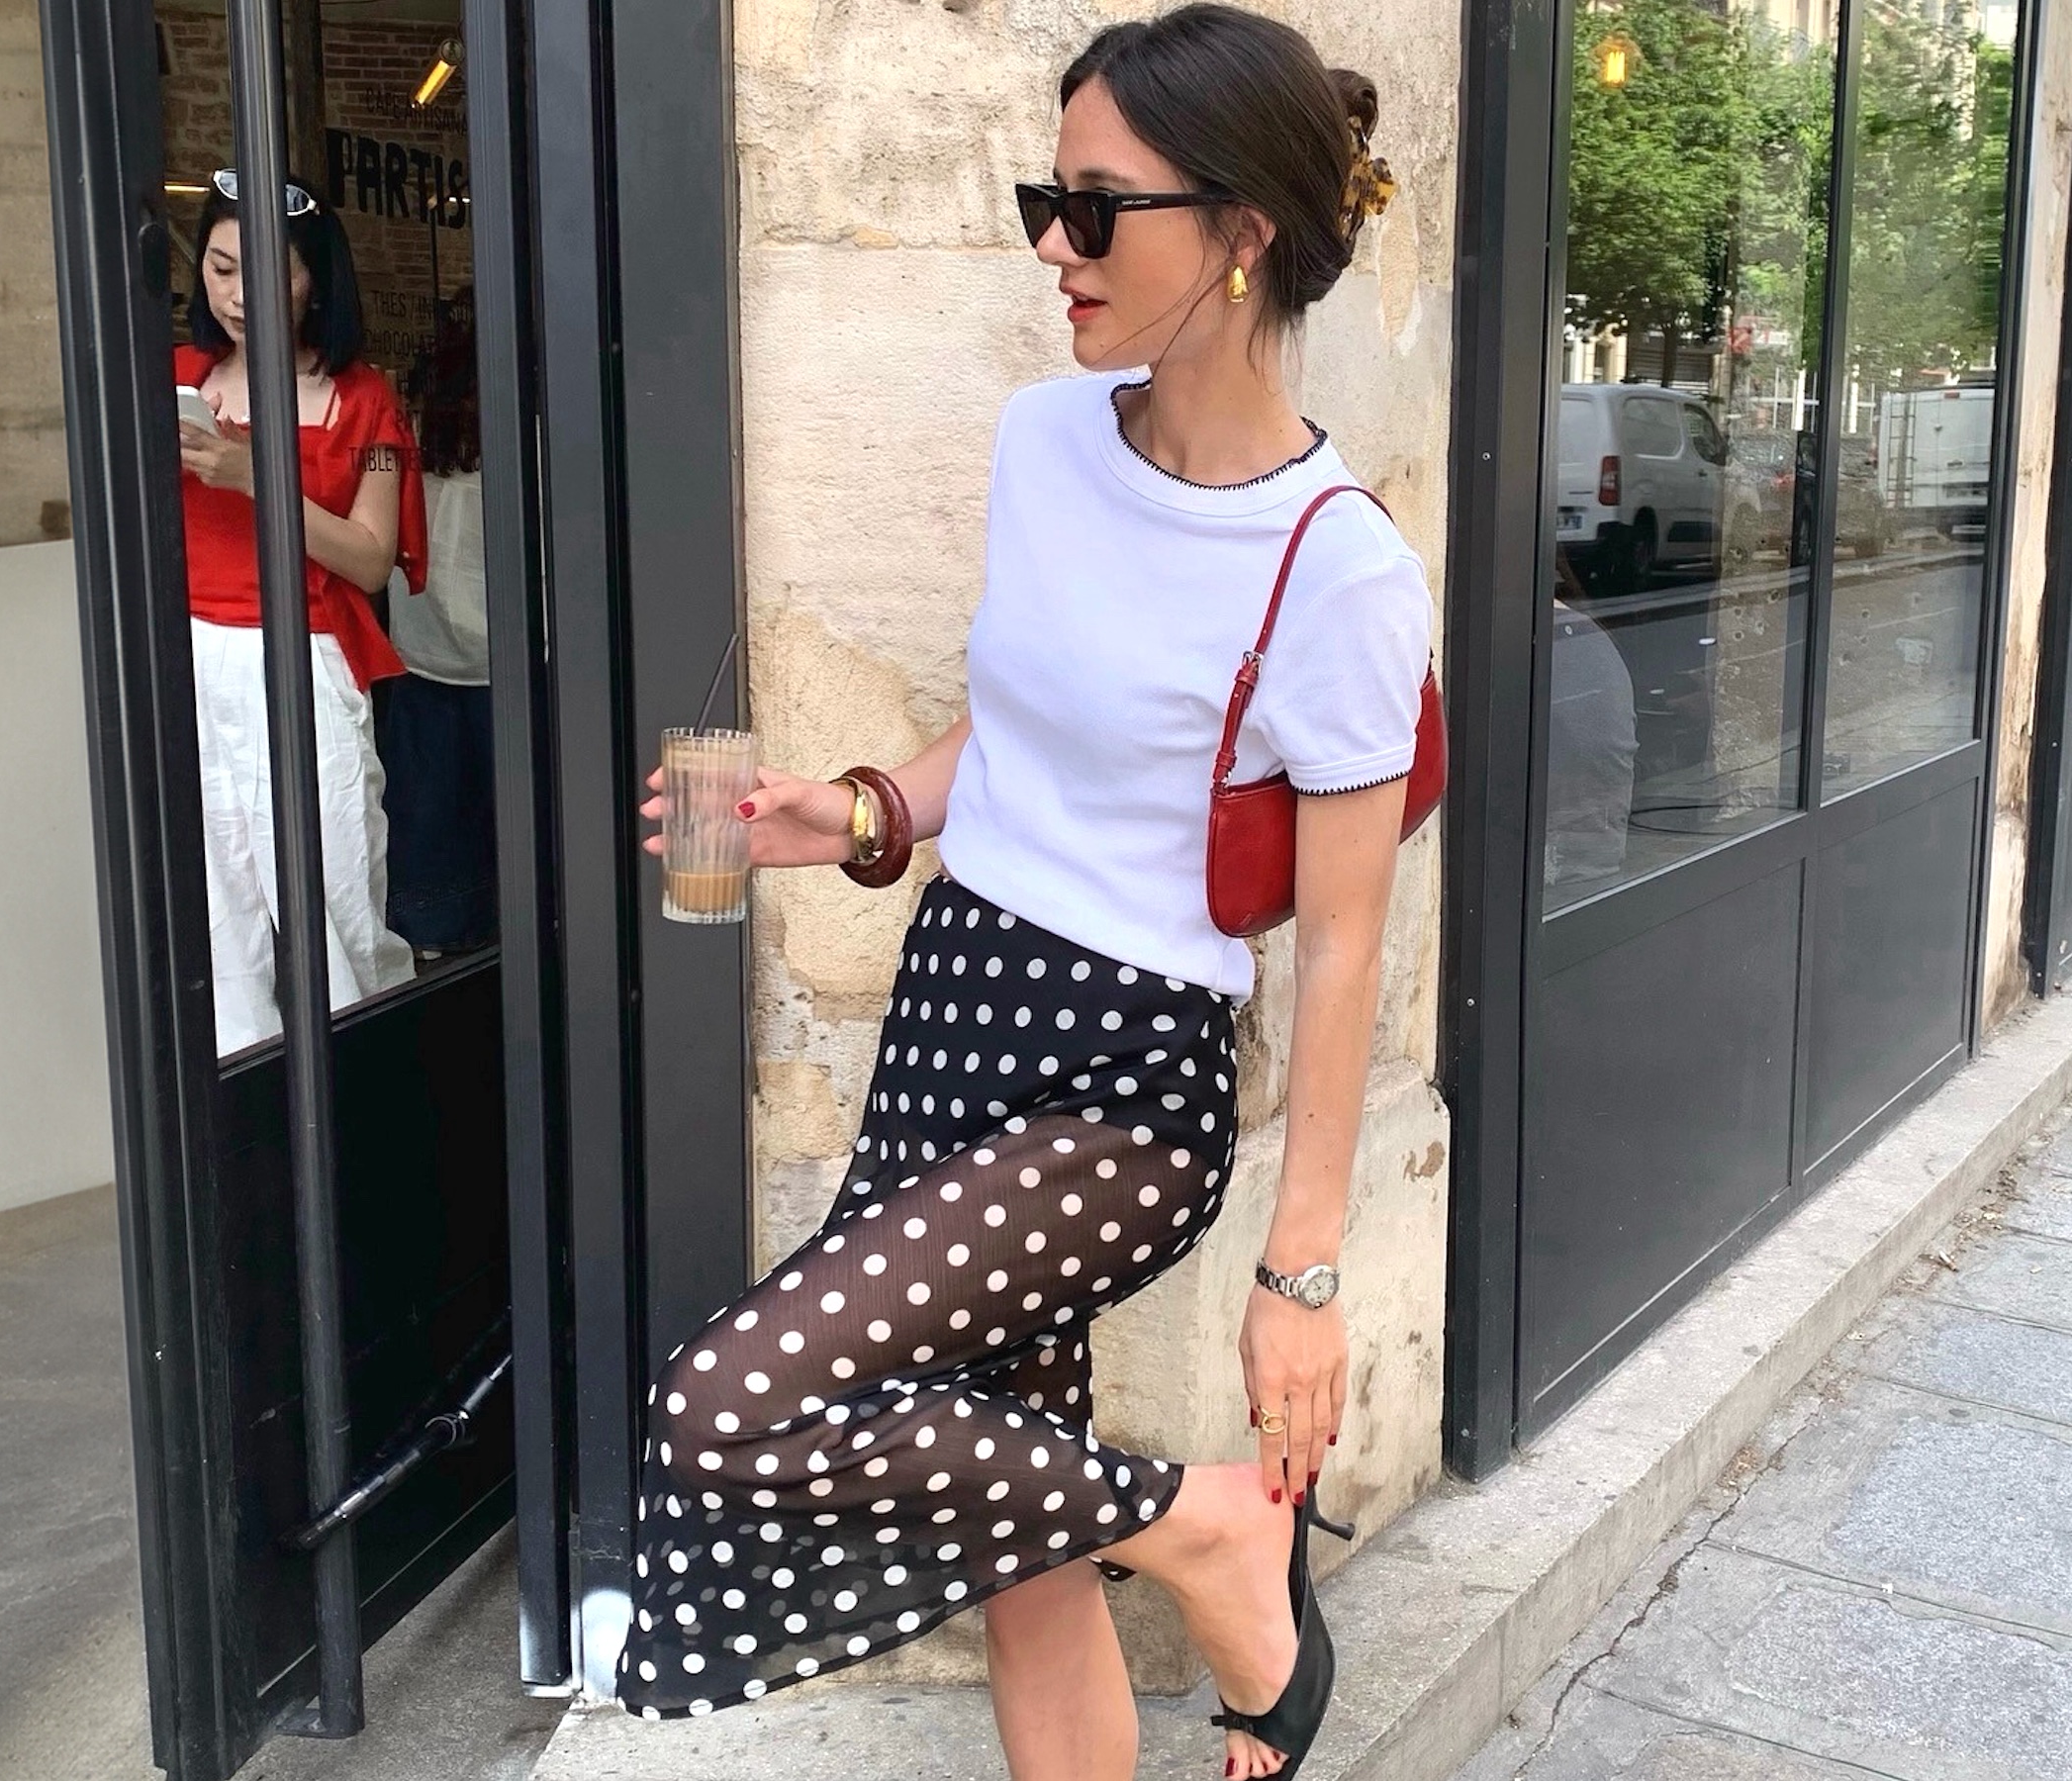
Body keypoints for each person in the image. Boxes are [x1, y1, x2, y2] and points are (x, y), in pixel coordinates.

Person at [621, 9, 1425, 1780]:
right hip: (957, 1004)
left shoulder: (1339, 566)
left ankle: (1218, 1532)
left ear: (1244, 239)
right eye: (1043, 199)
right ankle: (1179, 1542)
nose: (1054, 246)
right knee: (1031, 1566)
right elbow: (1015, 734)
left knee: (729, 1403)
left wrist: (1303, 1272)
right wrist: (838, 813)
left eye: (1097, 209)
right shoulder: (1044, 443)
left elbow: (1349, 935)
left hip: (1124, 1073)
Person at [174, 170, 422, 1055]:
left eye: (267, 273)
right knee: (215, 912)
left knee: (337, 895)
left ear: (315, 278)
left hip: (302, 661)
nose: (239, 296)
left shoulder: (364, 401)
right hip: (190, 662)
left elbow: (371, 556)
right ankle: (246, 1128)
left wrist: (253, 476)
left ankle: (367, 1093)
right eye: (222, 268)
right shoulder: (175, 380)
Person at [384, 290, 497, 958]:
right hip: (500, 662)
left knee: (427, 819)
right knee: (499, 816)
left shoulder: (409, 434)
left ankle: (430, 937)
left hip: (421, 654)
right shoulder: (525, 432)